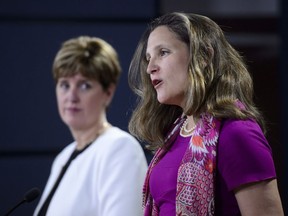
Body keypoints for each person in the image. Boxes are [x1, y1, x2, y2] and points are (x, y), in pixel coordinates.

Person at [128, 12, 284, 216]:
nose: (150, 68)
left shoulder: (237, 132)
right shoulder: (175, 134)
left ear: (203, 56)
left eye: (163, 52)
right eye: (148, 58)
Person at [33, 36, 148, 216]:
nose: (71, 96)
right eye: (64, 85)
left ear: (108, 93)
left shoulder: (120, 149)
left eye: (84, 86)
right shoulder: (63, 158)